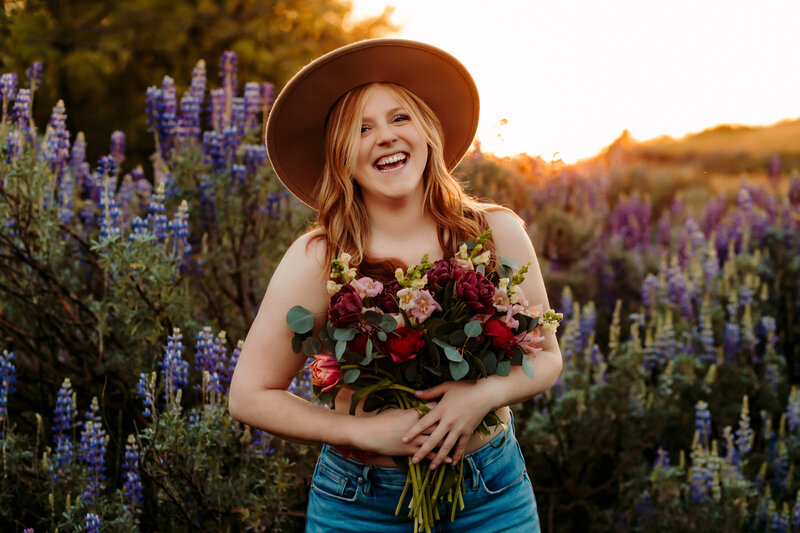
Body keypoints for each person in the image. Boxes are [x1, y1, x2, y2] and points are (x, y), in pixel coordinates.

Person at [228, 39, 562, 532]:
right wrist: (361, 432)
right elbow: (250, 394)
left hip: (491, 492)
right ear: (340, 155)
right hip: (360, 504)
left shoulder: (494, 232)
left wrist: (482, 395)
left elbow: (546, 356)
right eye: (361, 129)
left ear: (427, 132)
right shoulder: (320, 257)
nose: (384, 136)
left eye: (399, 118)